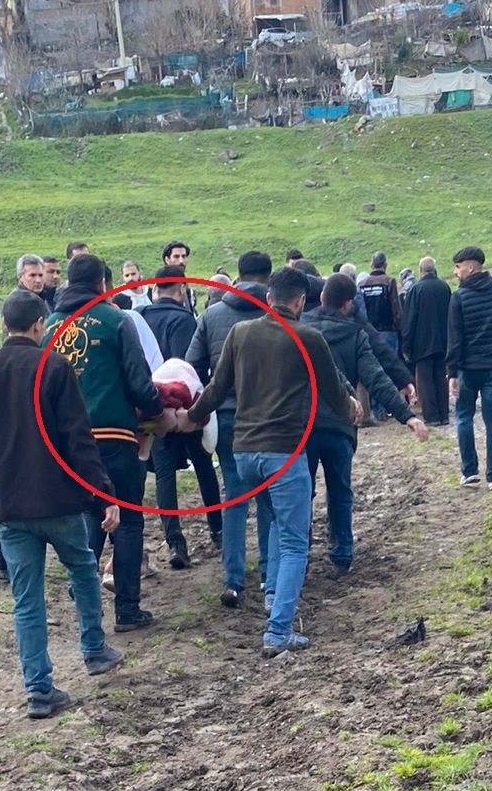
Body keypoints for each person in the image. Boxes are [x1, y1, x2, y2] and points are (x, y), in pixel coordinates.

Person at [0, 289, 125, 719]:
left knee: (26, 598)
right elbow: (77, 437)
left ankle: (38, 689)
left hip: (8, 506)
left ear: (3, 325)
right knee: (84, 570)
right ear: (40, 325)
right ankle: (94, 649)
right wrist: (103, 492)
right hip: (58, 500)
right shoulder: (54, 367)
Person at [184, 267, 351, 657]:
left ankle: (271, 589)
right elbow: (333, 393)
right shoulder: (308, 337)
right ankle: (278, 631)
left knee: (272, 519)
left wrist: (189, 418)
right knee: (295, 542)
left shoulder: (240, 334)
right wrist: (352, 408)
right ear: (301, 301)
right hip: (284, 452)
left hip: (244, 452)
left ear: (269, 296)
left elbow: (216, 387)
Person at [41, 252, 172, 633]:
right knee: (129, 520)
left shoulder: (49, 328)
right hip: (114, 436)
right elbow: (138, 380)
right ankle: (128, 611)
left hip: (68, 443)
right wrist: (157, 413)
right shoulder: (116, 320)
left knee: (90, 514)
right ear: (102, 284)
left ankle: (82, 593)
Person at [303, 273, 428, 574]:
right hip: (341, 425)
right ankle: (343, 552)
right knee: (340, 489)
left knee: (301, 491)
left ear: (321, 298)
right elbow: (375, 377)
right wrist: (407, 416)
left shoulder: (300, 328)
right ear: (348, 305)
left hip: (302, 426)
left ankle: (300, 550)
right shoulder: (355, 335)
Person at [189, 251, 275, 608]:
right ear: (268, 280)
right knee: (270, 500)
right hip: (269, 418)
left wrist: (195, 414)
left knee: (234, 498)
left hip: (225, 417)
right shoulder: (275, 316)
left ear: (237, 279)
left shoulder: (211, 315)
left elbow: (192, 366)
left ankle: (234, 580)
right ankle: (271, 578)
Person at [140, 267, 221, 567]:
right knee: (203, 465)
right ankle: (218, 531)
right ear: (181, 290)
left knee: (164, 475)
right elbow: (190, 366)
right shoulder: (184, 320)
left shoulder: (141, 318)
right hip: (184, 406)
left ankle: (175, 544)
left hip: (151, 407)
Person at [447, 247, 492, 490]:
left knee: (464, 417)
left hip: (469, 367)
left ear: (469, 267)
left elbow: (455, 339)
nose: (455, 272)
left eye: (457, 267)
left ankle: (469, 470)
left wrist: (452, 373)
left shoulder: (459, 297)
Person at [403, 255, 451, 426]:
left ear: (420, 270)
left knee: (425, 380)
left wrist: (406, 343)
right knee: (440, 377)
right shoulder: (444, 287)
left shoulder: (416, 290)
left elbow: (410, 319)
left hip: (422, 342)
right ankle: (444, 413)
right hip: (443, 341)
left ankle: (431, 416)